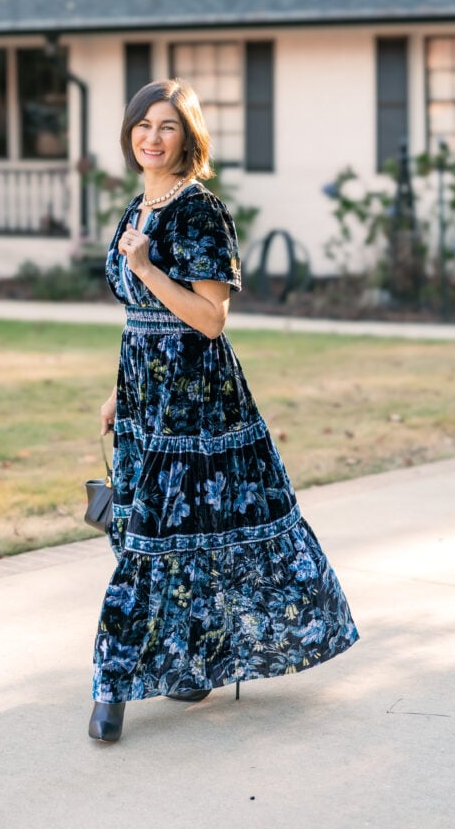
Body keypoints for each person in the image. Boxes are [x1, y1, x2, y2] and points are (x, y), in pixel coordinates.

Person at [88, 79, 358, 743]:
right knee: (149, 532)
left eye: (167, 126)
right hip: (143, 392)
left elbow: (209, 320)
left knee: (157, 535)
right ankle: (188, 662)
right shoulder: (136, 205)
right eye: (142, 124)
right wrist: (119, 392)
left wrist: (148, 268)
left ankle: (111, 684)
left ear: (188, 138)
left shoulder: (201, 211)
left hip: (197, 400)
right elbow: (138, 318)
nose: (151, 137)